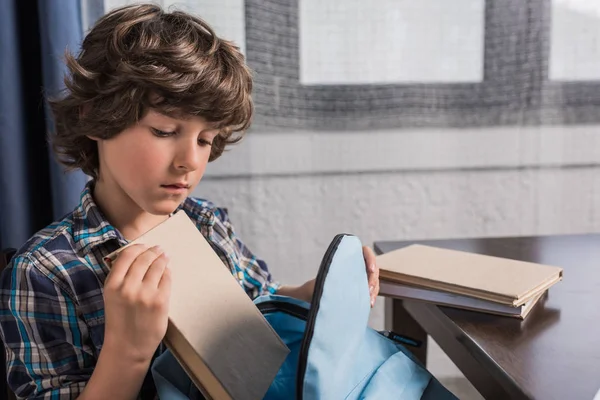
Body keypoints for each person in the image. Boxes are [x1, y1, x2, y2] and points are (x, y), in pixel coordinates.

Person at [0, 4, 380, 399]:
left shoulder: (206, 223)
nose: (191, 161)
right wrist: (128, 353)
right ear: (96, 116)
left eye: (206, 139)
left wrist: (312, 294)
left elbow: (258, 302)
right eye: (164, 131)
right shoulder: (44, 272)